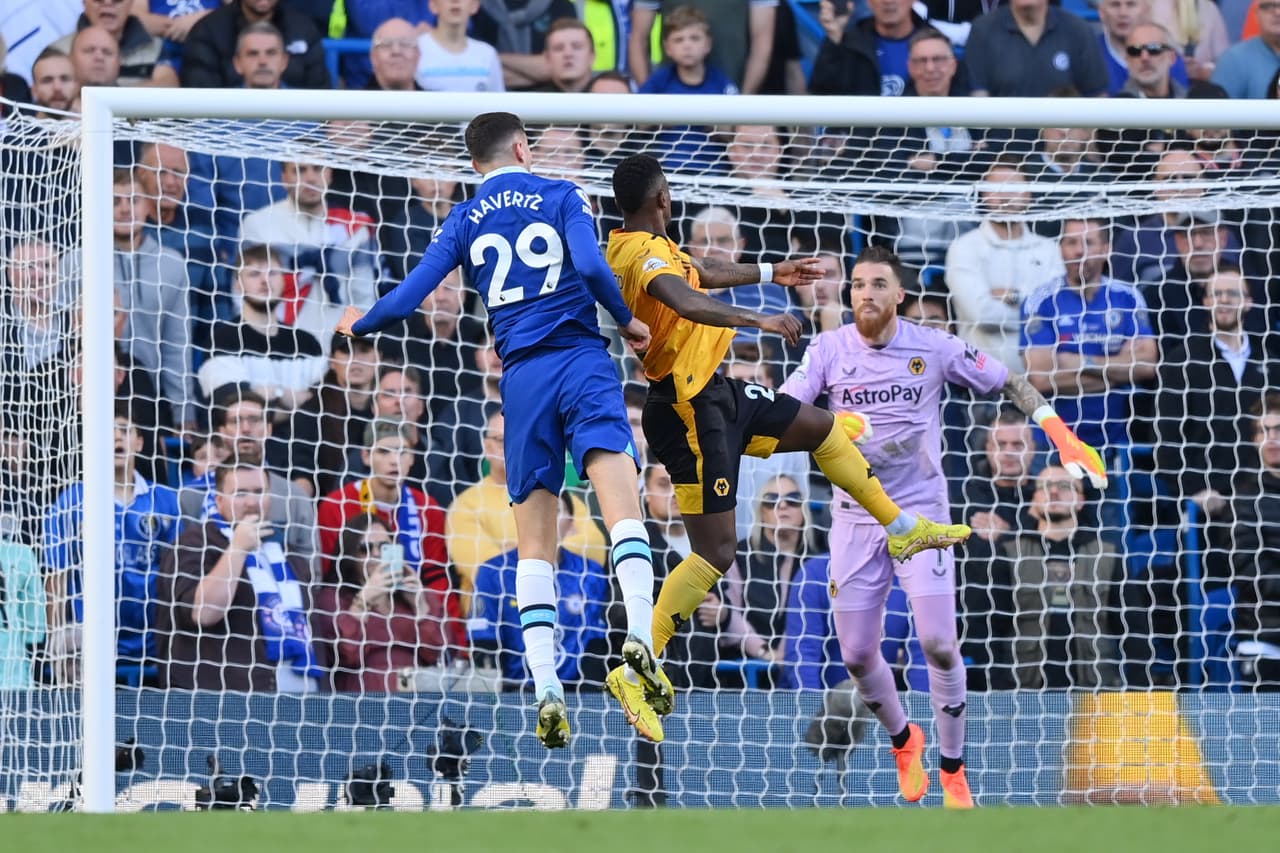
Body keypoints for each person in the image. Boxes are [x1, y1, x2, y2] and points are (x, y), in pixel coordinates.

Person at [605, 154, 973, 738]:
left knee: (823, 430)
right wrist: (761, 318)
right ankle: (637, 663)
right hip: (686, 409)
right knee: (716, 552)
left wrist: (771, 271)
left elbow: (700, 273)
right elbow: (683, 297)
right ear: (663, 199)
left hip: (717, 394)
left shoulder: (648, 243)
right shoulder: (640, 255)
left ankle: (902, 528)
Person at [335, 111, 666, 749]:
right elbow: (595, 271)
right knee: (621, 504)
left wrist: (363, 324)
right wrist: (626, 321)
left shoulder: (463, 218)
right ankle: (641, 642)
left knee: (532, 541)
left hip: (521, 382)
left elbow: (408, 298)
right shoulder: (561, 193)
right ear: (524, 147)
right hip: (579, 358)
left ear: (476, 163)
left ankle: (545, 687)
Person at [777, 245, 1107, 809]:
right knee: (856, 655)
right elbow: (781, 412)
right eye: (857, 284)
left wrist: (1057, 430)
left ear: (899, 294)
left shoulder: (932, 346)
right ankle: (906, 741)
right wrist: (826, 423)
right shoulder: (828, 349)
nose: (867, 293)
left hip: (921, 512)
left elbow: (1009, 380)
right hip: (856, 517)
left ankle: (953, 772)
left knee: (938, 643)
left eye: (879, 284)